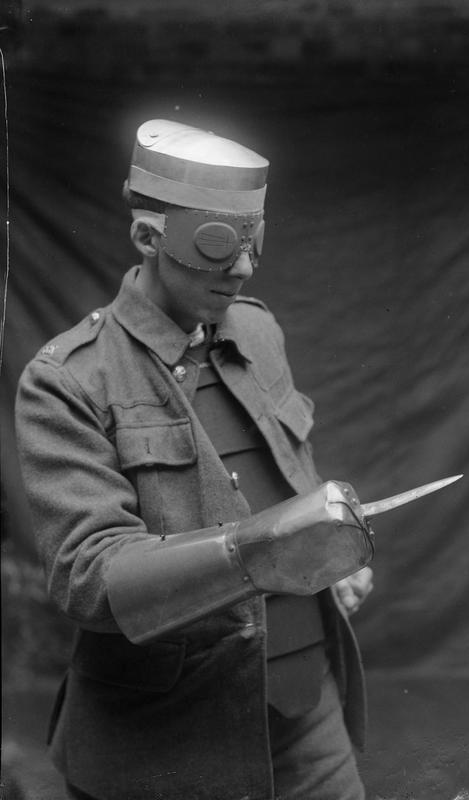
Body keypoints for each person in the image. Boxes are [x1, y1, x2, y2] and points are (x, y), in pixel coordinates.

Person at [15, 119, 374, 800]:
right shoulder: (69, 379)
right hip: (165, 742)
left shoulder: (258, 331)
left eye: (252, 242)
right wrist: (259, 552)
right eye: (214, 244)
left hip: (305, 708)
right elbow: (90, 577)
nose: (240, 268)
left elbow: (287, 481)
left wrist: (327, 561)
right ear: (149, 238)